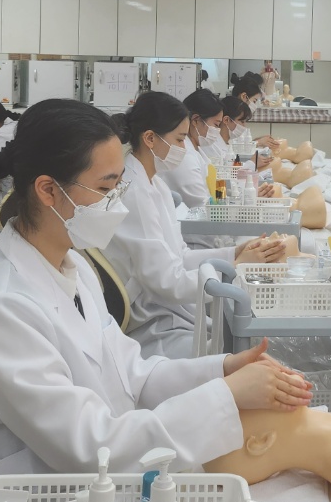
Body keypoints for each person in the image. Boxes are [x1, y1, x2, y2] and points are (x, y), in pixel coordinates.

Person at [0, 99, 311, 484]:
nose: (116, 203)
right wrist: (226, 395)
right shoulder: (3, 309)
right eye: (105, 188)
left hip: (98, 476)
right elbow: (91, 449)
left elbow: (134, 375)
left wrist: (221, 370)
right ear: (48, 190)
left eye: (118, 185)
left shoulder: (73, 268)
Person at [107, 92, 289, 358]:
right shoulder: (135, 192)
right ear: (150, 138)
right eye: (179, 139)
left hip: (169, 305)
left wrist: (234, 254)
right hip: (154, 319)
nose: (184, 147)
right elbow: (168, 283)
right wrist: (235, 266)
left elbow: (179, 255)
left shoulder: (154, 183)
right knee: (247, 348)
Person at [158, 89, 227, 209]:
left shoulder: (196, 150)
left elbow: (216, 190)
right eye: (216, 125)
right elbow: (200, 203)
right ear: (195, 120)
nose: (217, 130)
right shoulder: (185, 155)